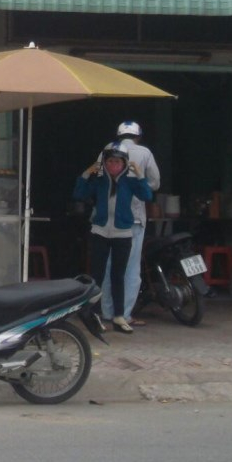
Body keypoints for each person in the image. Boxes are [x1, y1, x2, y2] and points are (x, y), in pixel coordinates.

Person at [73, 143, 154, 333]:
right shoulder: (100, 181)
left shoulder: (130, 182)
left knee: (118, 276)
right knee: (97, 276)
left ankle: (119, 316)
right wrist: (86, 173)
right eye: (109, 161)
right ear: (104, 163)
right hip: (100, 232)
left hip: (123, 234)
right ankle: (93, 315)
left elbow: (147, 195)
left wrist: (140, 175)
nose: (113, 165)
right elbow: (79, 194)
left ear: (125, 163)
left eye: (117, 162)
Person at [112, 120, 161, 326]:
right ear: (138, 136)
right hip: (134, 217)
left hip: (109, 217)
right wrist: (139, 186)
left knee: (110, 266)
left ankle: (107, 311)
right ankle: (124, 315)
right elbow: (155, 183)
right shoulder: (144, 153)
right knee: (131, 268)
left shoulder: (108, 151)